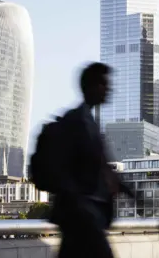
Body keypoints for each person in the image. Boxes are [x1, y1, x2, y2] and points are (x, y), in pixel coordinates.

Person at [49, 62, 132, 258]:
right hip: (83, 216)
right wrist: (79, 203)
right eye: (104, 84)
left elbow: (100, 166)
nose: (109, 89)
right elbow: (65, 168)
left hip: (84, 216)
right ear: (92, 87)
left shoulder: (89, 122)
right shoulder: (77, 121)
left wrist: (126, 189)